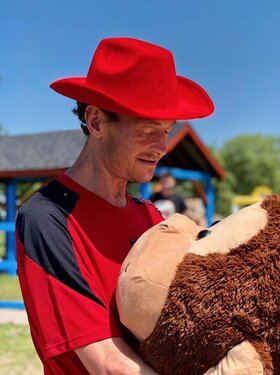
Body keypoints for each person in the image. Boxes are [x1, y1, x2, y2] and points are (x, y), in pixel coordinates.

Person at [15, 37, 214, 374]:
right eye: (148, 129)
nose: (161, 146)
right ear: (96, 122)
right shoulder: (47, 217)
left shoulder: (150, 216)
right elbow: (107, 363)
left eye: (167, 130)